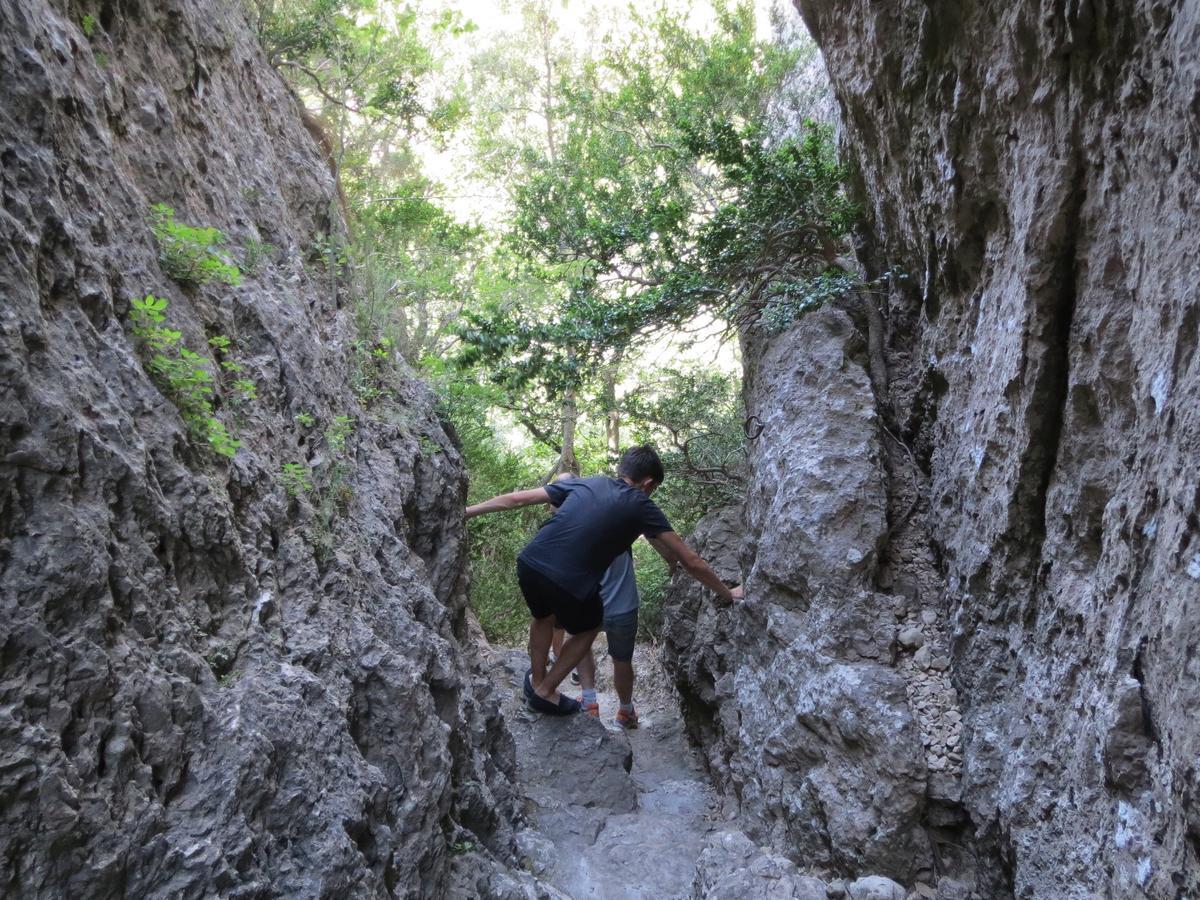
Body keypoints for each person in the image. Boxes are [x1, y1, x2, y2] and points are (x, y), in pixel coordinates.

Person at [465, 445, 743, 716]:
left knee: (543, 618)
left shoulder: (589, 483)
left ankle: (536, 681)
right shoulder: (641, 504)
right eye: (653, 488)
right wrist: (728, 593)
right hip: (567, 579)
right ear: (647, 483)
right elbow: (690, 559)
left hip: (530, 562)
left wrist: (468, 511)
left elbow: (518, 499)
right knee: (588, 627)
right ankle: (545, 691)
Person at [574, 545, 662, 726]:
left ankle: (590, 703)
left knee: (582, 648)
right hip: (623, 607)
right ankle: (625, 711)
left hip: (587, 603)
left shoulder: (575, 523)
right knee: (622, 660)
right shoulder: (621, 522)